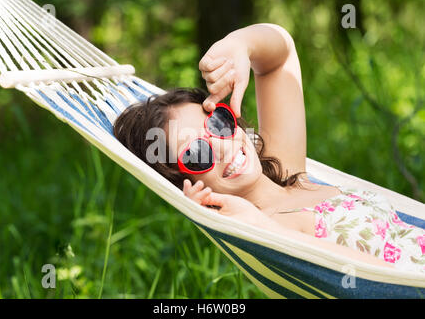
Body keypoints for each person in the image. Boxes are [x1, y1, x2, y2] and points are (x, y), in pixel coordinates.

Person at [114, 24, 425, 273]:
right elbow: (381, 283)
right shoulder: (267, 230)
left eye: (218, 124)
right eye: (196, 153)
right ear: (184, 184)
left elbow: (280, 58)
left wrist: (239, 44)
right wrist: (258, 225)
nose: (222, 147)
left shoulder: (287, 171)